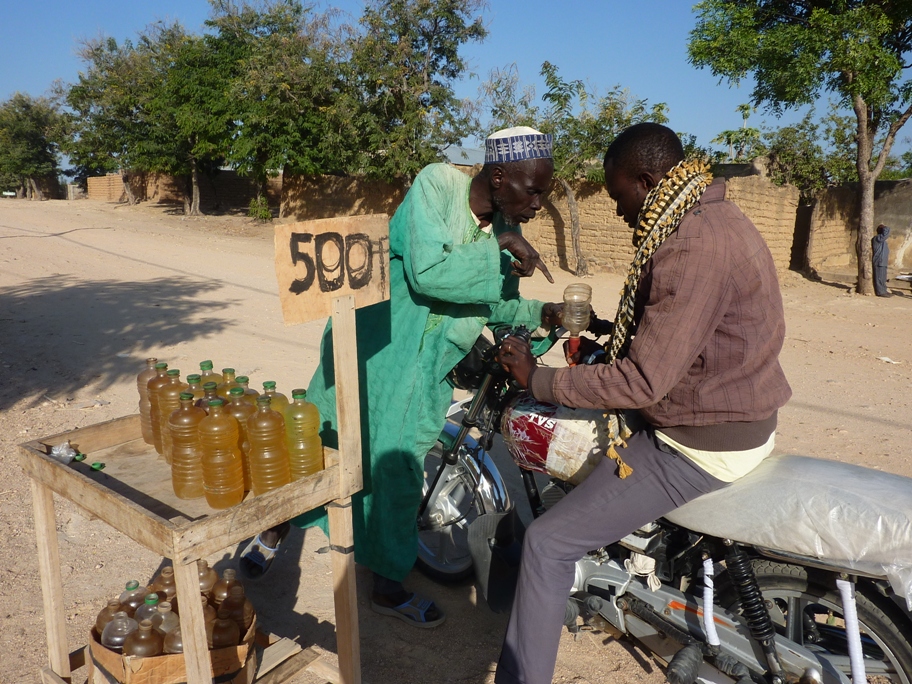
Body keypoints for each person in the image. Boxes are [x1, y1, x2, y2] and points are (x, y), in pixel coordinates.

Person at [493, 122, 792, 683]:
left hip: (700, 439)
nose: (618, 211)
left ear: (648, 181)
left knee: (547, 542)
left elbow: (642, 383)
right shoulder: (712, 216)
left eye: (618, 195)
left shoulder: (690, 245)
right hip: (734, 409)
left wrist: (540, 381)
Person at [240, 127, 563, 628]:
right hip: (373, 351)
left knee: (399, 470)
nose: (539, 203)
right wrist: (498, 244)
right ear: (499, 175)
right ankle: (277, 524)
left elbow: (494, 302)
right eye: (534, 189)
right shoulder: (437, 185)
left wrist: (547, 314)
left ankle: (387, 584)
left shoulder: (501, 225)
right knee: (326, 441)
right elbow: (429, 272)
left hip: (424, 373)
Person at [873, 223, 891, 297]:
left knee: (883, 277)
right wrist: (885, 227)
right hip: (879, 261)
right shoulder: (877, 238)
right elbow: (887, 232)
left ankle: (884, 290)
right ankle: (880, 292)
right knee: (879, 277)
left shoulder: (882, 240)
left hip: (883, 261)